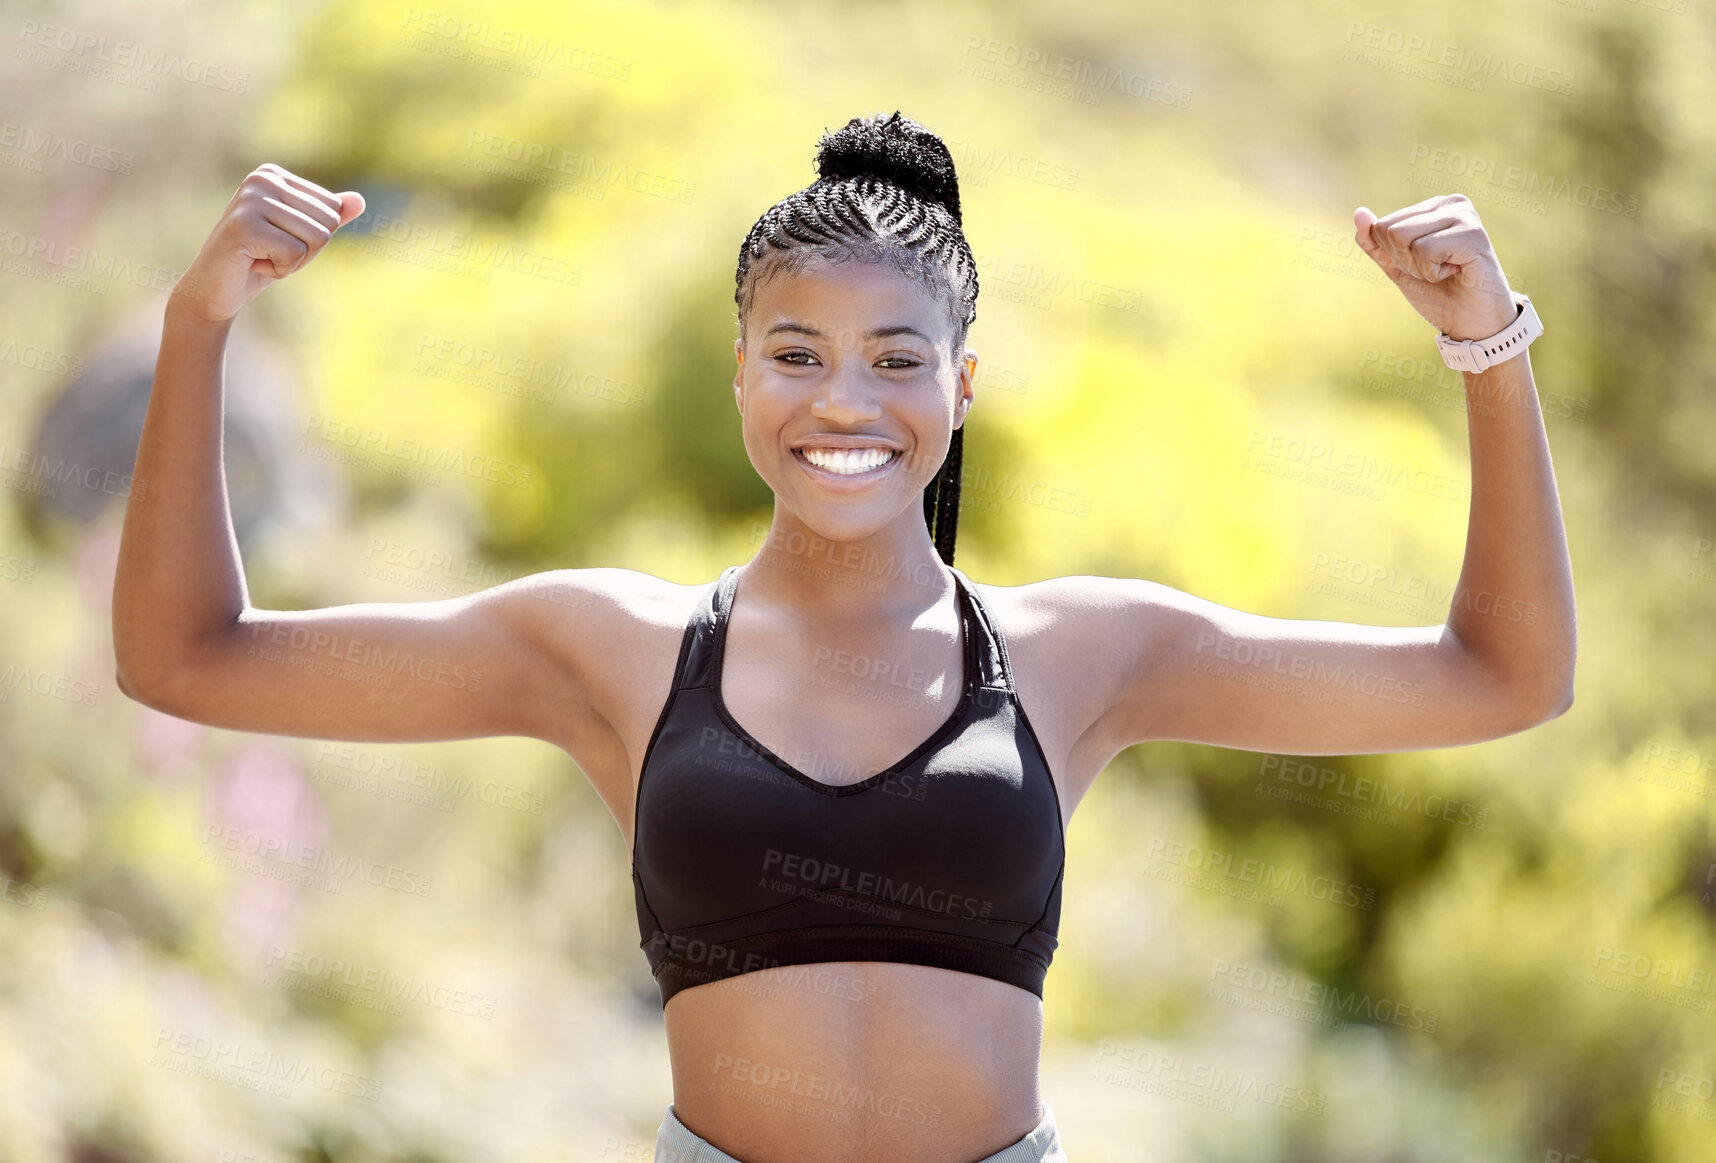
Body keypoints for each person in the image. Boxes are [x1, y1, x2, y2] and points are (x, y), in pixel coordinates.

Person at [113, 110, 1577, 1163]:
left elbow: (1500, 679)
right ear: (742, 372)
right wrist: (199, 327)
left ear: (963, 380)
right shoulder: (609, 650)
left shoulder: (1082, 658)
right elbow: (187, 656)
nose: (844, 403)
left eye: (896, 358)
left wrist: (1488, 346)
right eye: (797, 355)